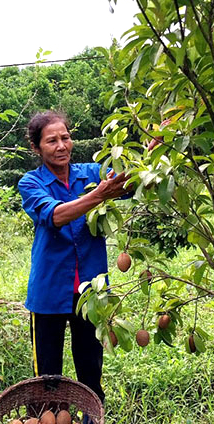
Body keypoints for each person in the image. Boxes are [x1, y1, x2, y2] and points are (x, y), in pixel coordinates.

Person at [17, 111, 130, 406]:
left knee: (91, 371)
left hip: (91, 294)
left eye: (65, 138)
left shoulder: (91, 174)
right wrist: (99, 196)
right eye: (51, 141)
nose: (61, 146)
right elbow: (55, 215)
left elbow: (129, 182)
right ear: (37, 148)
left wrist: (156, 149)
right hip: (49, 292)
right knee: (47, 379)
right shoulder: (31, 183)